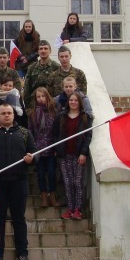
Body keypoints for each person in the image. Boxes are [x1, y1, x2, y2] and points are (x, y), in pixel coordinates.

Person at [0, 104, 37, 260]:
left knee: (19, 218)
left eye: (9, 113)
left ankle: (22, 253)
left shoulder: (24, 133)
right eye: (3, 113)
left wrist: (31, 159)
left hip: (19, 181)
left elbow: (34, 153)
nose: (6, 115)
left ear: (13, 115)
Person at [53, 92, 93, 220]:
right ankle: (70, 209)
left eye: (76, 100)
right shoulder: (61, 117)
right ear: (68, 102)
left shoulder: (85, 117)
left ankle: (78, 210)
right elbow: (55, 135)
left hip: (78, 155)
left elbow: (88, 136)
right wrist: (57, 149)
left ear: (80, 102)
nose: (73, 102)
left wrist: (83, 153)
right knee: (68, 182)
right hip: (64, 155)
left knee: (77, 183)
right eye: (71, 100)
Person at [27, 87, 59, 208]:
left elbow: (56, 130)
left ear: (47, 97)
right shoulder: (32, 113)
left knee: (51, 173)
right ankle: (43, 197)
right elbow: (30, 131)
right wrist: (32, 147)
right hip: (38, 148)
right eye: (38, 97)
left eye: (43, 96)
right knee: (40, 174)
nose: (41, 99)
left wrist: (56, 147)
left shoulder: (53, 112)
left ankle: (53, 195)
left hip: (51, 147)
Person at [22, 40, 60, 109]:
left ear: (50, 51)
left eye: (45, 48)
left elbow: (58, 88)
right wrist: (28, 108)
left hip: (51, 104)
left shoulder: (56, 67)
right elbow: (27, 88)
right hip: (34, 104)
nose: (43, 51)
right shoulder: (32, 67)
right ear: (38, 51)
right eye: (41, 49)